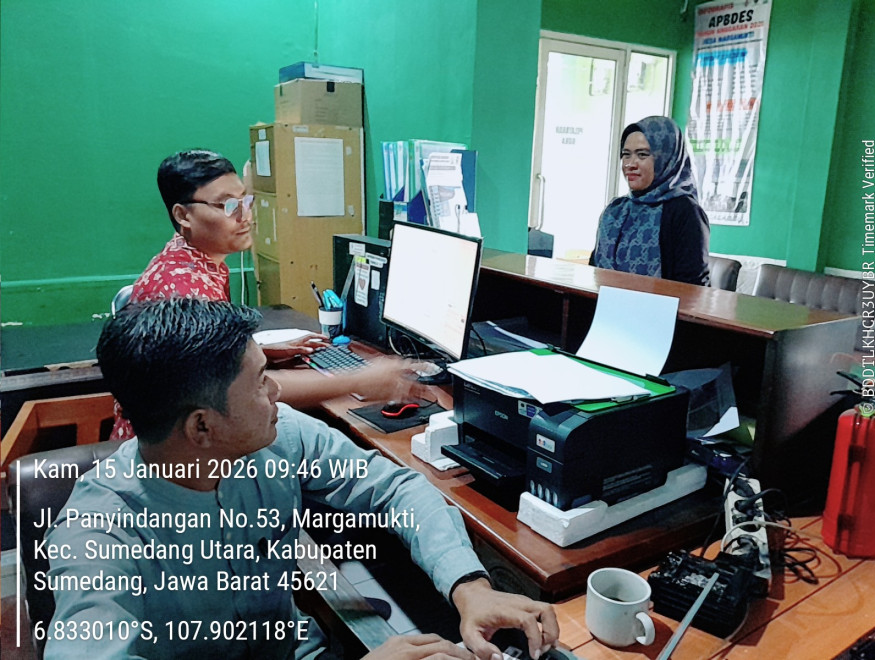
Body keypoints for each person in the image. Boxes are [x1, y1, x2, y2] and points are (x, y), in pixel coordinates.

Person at [45, 299, 559, 660]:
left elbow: (396, 488)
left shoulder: (279, 436)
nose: (277, 392)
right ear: (202, 427)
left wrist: (470, 589)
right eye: (260, 382)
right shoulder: (98, 533)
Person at [110, 149, 416, 440]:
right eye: (227, 205)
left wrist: (260, 351)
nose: (245, 216)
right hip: (177, 452)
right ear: (183, 215)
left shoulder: (191, 258)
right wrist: (361, 380)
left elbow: (194, 362)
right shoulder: (186, 290)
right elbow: (236, 391)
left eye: (246, 201)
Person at [591, 116, 710, 286]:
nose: (630, 164)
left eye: (642, 155)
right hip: (604, 301)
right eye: (626, 155)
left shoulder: (684, 211)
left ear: (666, 158)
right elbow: (594, 272)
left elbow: (692, 287)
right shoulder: (615, 211)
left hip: (665, 303)